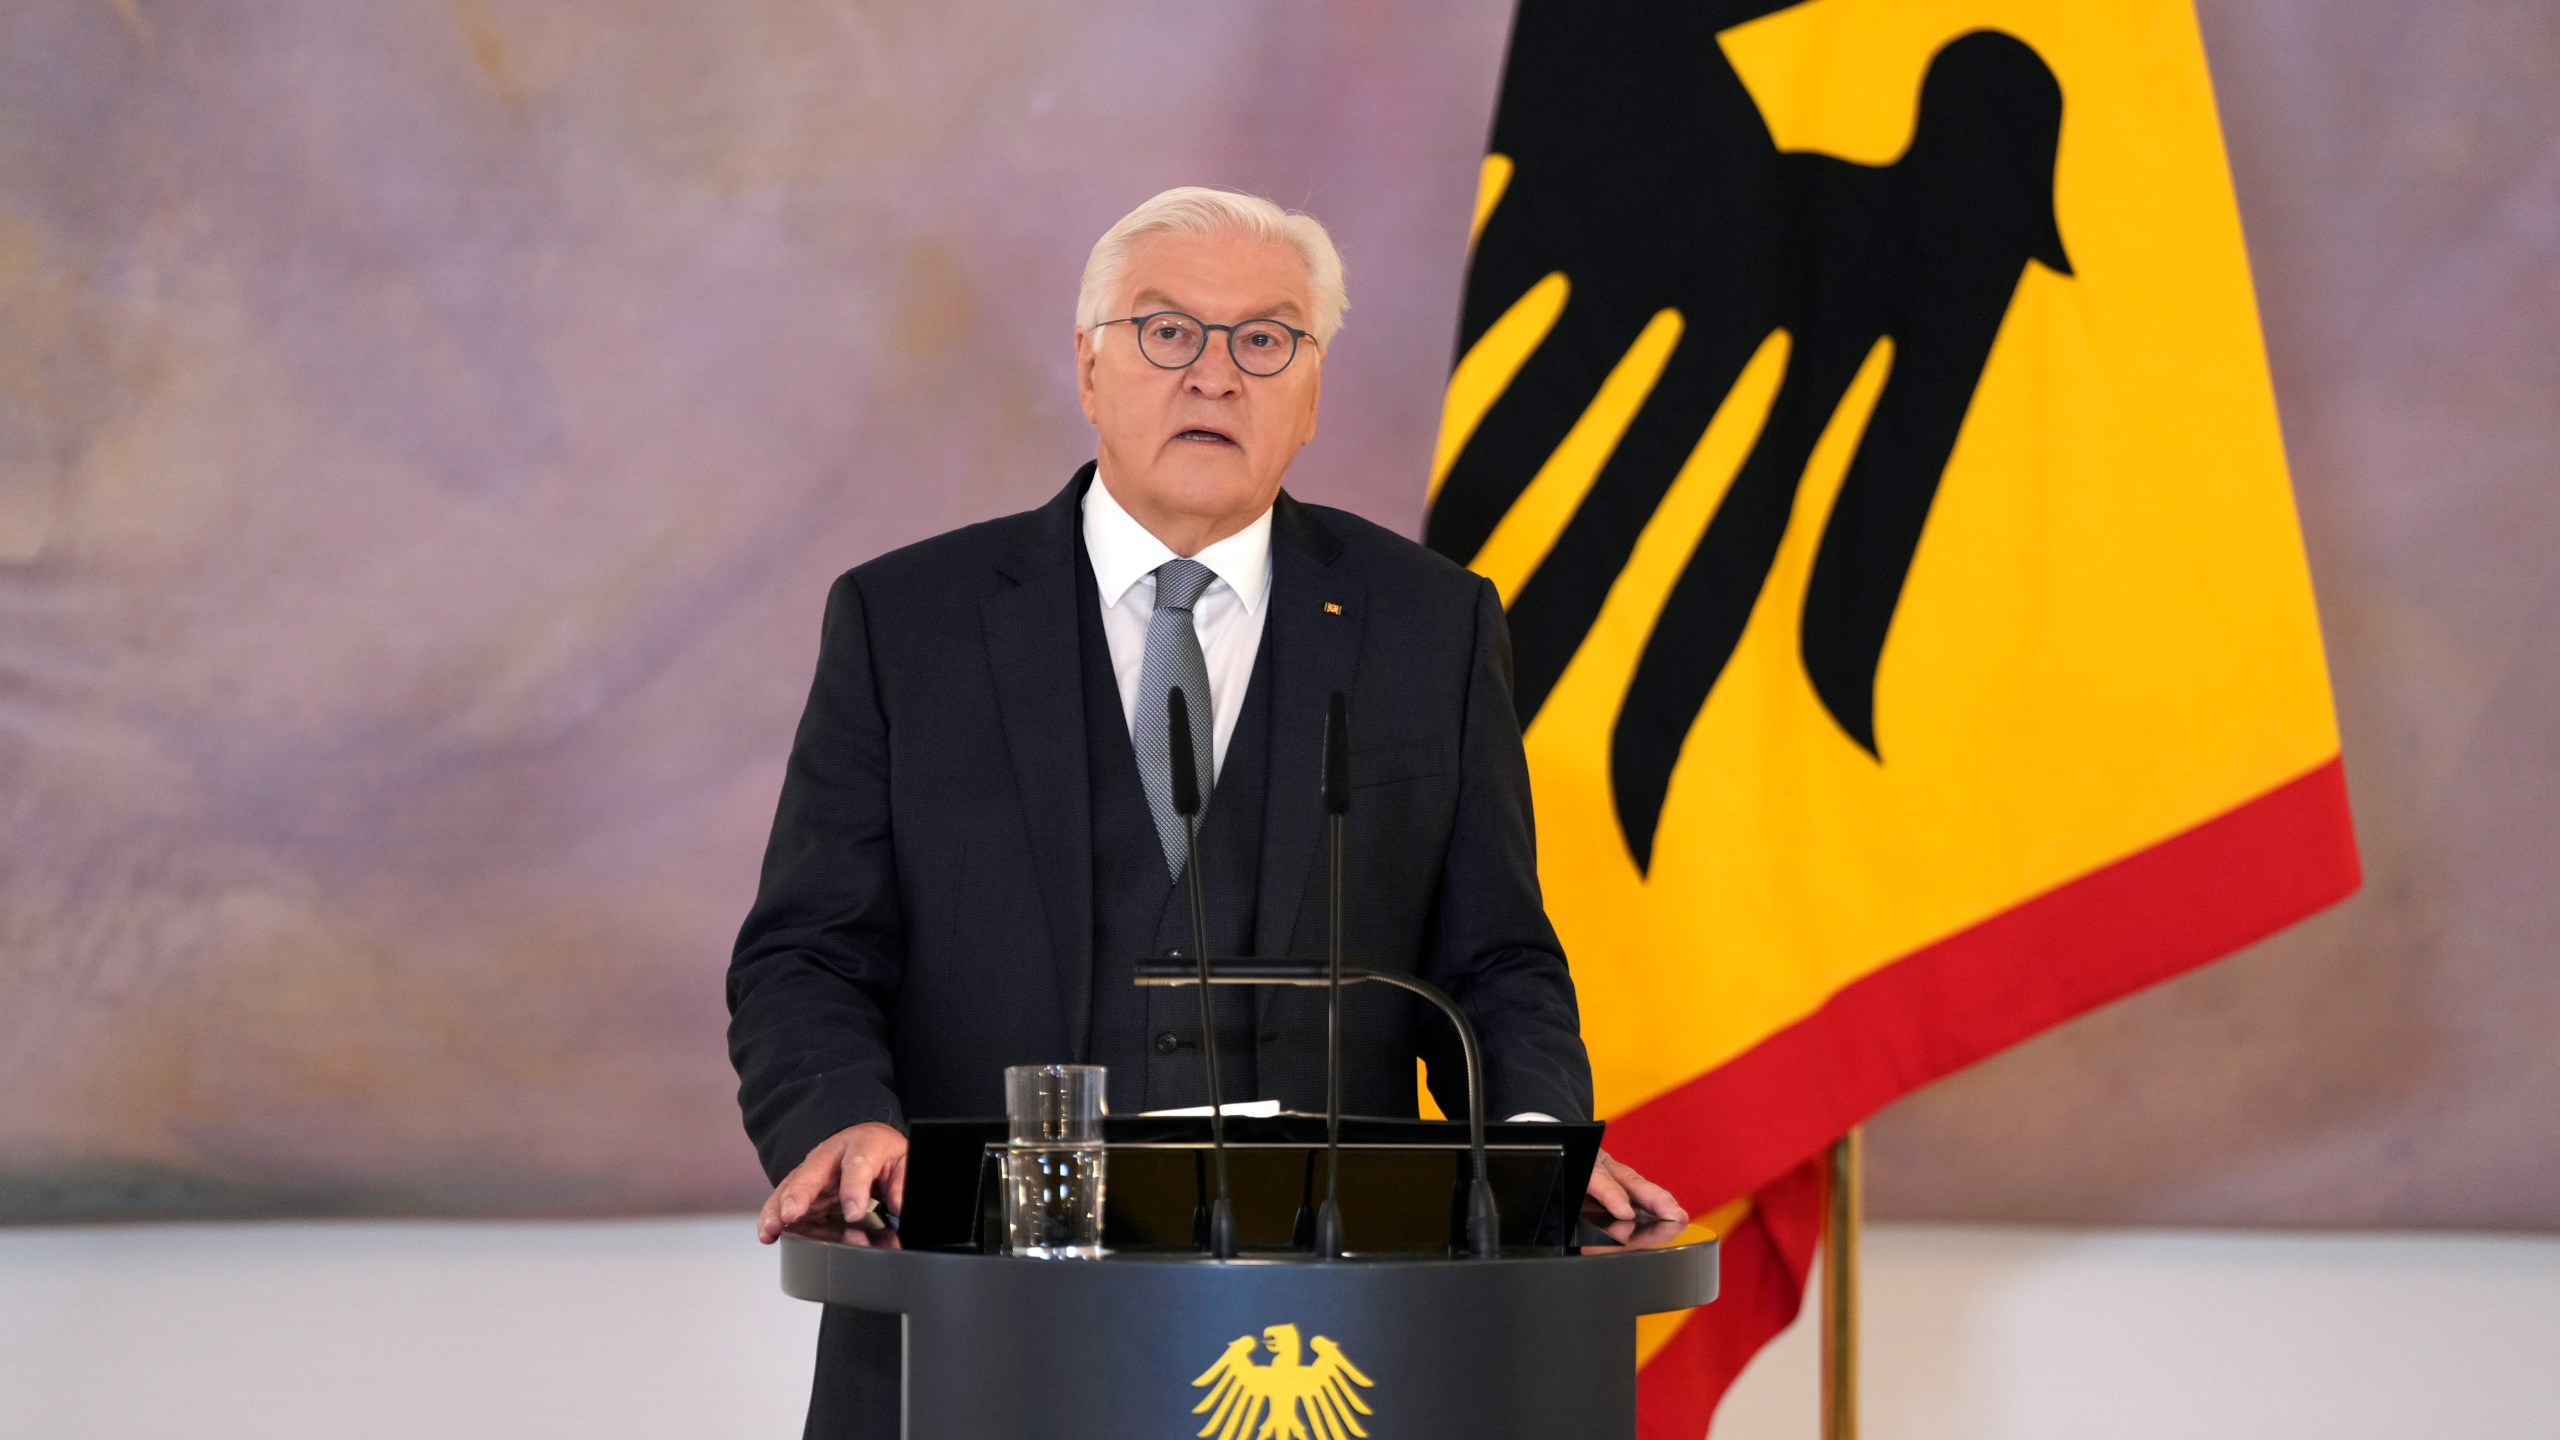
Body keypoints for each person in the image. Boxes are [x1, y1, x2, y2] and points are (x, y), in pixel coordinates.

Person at [726, 185, 1686, 1437]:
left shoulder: (1430, 626)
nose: (1214, 377)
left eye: (1265, 339)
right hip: (975, 1323)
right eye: (1167, 332)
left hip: (1335, 1341)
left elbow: (1496, 954)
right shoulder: (909, 623)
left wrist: (1530, 1153)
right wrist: (842, 1117)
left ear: (1312, 387)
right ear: (1088, 365)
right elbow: (810, 949)